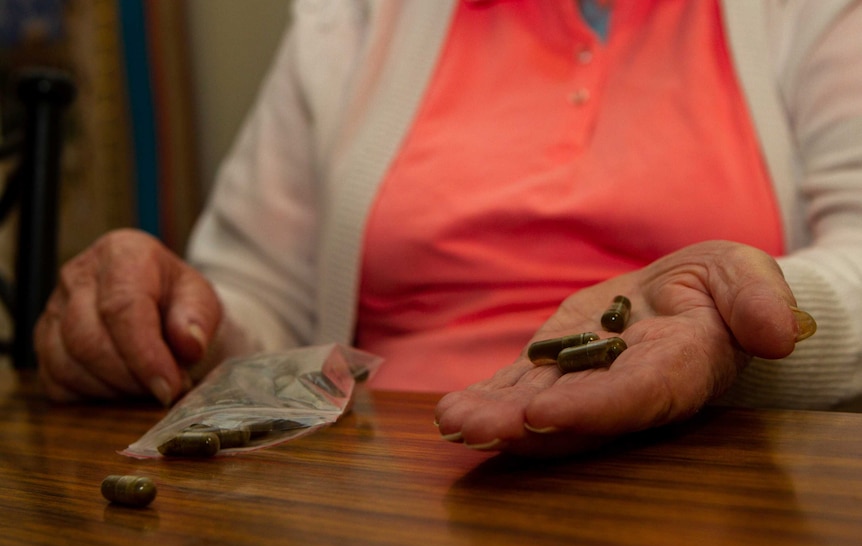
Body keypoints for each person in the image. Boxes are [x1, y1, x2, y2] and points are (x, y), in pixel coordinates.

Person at [34, 0, 862, 456]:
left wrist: (737, 329)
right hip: (380, 500)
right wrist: (174, 321)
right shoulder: (350, 19)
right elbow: (258, 297)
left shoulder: (814, 14)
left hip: (725, 480)